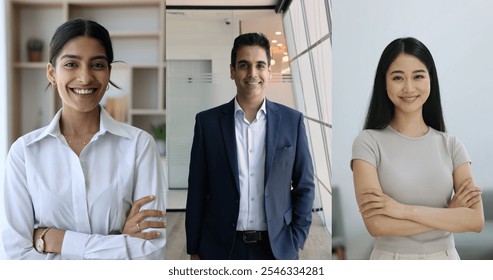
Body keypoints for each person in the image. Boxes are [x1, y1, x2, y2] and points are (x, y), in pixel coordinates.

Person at [1, 18, 166, 259]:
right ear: (51, 73)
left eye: (97, 64)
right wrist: (120, 242)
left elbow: (151, 251)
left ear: (108, 72)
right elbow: (16, 257)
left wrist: (57, 240)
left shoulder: (139, 146)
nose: (85, 77)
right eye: (71, 64)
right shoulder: (24, 153)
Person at [351, 37, 484, 260]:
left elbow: (475, 220)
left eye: (418, 76)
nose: (409, 87)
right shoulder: (367, 142)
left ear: (430, 79)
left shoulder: (452, 145)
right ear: (384, 82)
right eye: (397, 77)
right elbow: (377, 225)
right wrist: (449, 215)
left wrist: (402, 210)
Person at [185, 33, 315, 260]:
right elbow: (197, 190)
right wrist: (195, 249)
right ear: (232, 71)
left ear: (269, 72)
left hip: (276, 249)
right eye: (244, 65)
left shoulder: (292, 121)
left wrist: (296, 239)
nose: (252, 73)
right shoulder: (207, 123)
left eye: (260, 65)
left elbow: (305, 186)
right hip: (220, 248)